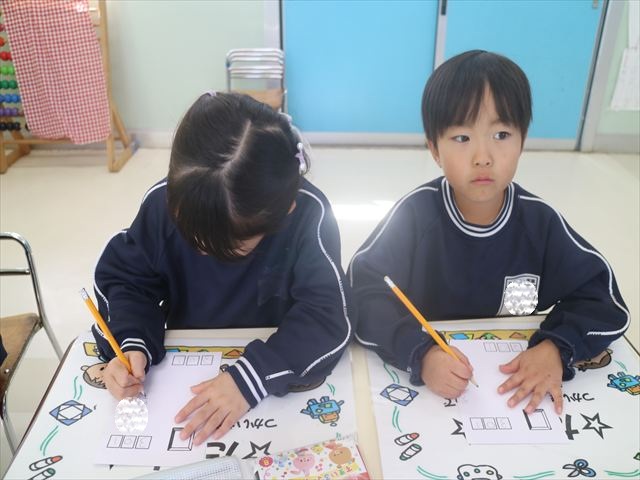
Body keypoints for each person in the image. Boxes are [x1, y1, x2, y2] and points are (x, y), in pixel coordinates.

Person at [349, 50, 629, 415]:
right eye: (462, 137)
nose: (483, 156)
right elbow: (362, 291)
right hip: (429, 395)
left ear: (522, 141)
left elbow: (603, 300)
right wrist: (420, 353)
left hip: (507, 392)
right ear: (434, 149)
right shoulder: (414, 217)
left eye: (501, 134)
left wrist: (555, 347)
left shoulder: (540, 223)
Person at [92, 92, 353, 445]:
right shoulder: (162, 203)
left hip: (273, 375)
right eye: (190, 233)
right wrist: (132, 342)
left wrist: (251, 378)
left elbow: (327, 316)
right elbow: (127, 280)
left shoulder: (309, 215)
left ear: (284, 211)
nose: (201, 247)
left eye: (227, 244)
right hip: (183, 365)